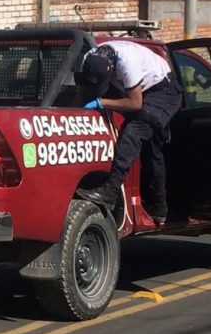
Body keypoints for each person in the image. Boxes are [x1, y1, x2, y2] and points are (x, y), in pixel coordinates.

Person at [74, 41, 182, 225]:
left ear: (112, 68)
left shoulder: (127, 63)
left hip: (162, 91)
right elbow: (85, 90)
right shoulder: (89, 58)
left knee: (136, 128)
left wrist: (102, 102)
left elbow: (135, 104)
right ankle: (159, 209)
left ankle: (110, 190)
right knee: (153, 150)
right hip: (138, 89)